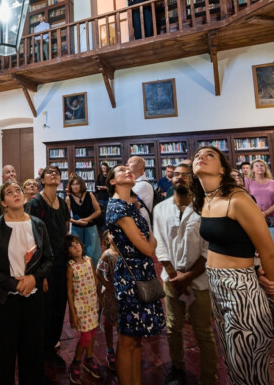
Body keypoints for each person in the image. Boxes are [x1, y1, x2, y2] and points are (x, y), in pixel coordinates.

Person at [192, 147, 274, 385]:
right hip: (216, 285)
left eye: (209, 155)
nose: (200, 157)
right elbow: (230, 243)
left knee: (248, 371)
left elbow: (269, 253)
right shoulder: (206, 201)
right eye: (197, 156)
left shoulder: (239, 199)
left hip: (240, 290)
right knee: (233, 365)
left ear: (223, 169)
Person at [0, 180, 53, 385]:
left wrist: (34, 278)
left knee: (33, 352)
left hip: (33, 296)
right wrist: (13, 284)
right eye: (9, 192)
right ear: (3, 202)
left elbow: (48, 259)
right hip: (5, 299)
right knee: (2, 356)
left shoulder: (38, 224)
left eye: (18, 190)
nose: (15, 194)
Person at [152, 163, 217, 385]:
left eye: (185, 174)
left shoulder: (206, 208)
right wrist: (173, 275)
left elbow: (209, 248)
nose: (180, 178)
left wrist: (188, 277)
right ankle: (177, 368)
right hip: (171, 279)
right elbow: (159, 244)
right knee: (173, 327)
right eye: (176, 174)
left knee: (203, 331)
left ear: (194, 179)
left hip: (199, 280)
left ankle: (208, 377)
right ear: (171, 179)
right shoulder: (160, 209)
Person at [105, 165, 165, 385]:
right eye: (121, 170)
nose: (127, 171)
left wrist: (148, 239)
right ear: (112, 181)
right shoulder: (118, 207)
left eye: (129, 168)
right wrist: (149, 240)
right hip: (130, 275)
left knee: (137, 337)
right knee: (128, 338)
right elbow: (150, 247)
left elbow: (149, 239)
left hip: (142, 270)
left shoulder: (131, 205)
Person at [25, 165, 71, 369]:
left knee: (60, 305)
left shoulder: (62, 203)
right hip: (43, 265)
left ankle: (51, 346)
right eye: (49, 173)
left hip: (61, 261)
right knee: (44, 308)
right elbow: (30, 239)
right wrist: (39, 273)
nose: (54, 174)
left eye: (57, 173)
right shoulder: (35, 203)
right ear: (42, 180)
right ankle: (40, 352)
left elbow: (64, 230)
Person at [65, 234, 102, 383]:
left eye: (77, 243)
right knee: (86, 336)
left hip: (93, 304)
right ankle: (76, 361)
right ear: (68, 252)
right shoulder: (71, 267)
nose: (76, 247)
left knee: (92, 332)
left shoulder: (89, 261)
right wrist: (72, 314)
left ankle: (89, 359)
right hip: (81, 307)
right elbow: (69, 291)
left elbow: (94, 278)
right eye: (72, 246)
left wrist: (100, 296)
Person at [244, 159, 274, 247]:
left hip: (271, 219)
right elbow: (245, 199)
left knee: (272, 246)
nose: (260, 167)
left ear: (265, 168)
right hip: (253, 218)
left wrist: (265, 213)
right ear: (252, 169)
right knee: (256, 247)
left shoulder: (273, 183)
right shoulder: (248, 181)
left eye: (262, 165)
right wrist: (258, 214)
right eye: (257, 166)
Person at [65, 174, 102, 266]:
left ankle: (94, 275)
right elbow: (66, 216)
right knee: (77, 253)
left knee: (92, 253)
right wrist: (76, 221)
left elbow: (98, 211)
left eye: (77, 184)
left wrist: (88, 218)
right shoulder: (68, 198)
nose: (75, 186)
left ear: (81, 185)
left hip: (90, 227)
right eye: (73, 184)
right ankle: (80, 275)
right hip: (76, 228)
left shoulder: (89, 194)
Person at [96, 230, 118, 371]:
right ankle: (110, 350)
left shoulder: (124, 252)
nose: (115, 235)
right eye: (111, 233)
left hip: (123, 294)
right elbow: (99, 272)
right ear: (107, 239)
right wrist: (107, 285)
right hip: (111, 295)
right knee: (109, 322)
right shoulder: (107, 255)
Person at [127, 156, 154, 227]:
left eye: (131, 162)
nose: (127, 164)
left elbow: (124, 200)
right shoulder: (135, 183)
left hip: (141, 226)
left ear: (140, 166)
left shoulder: (143, 185)